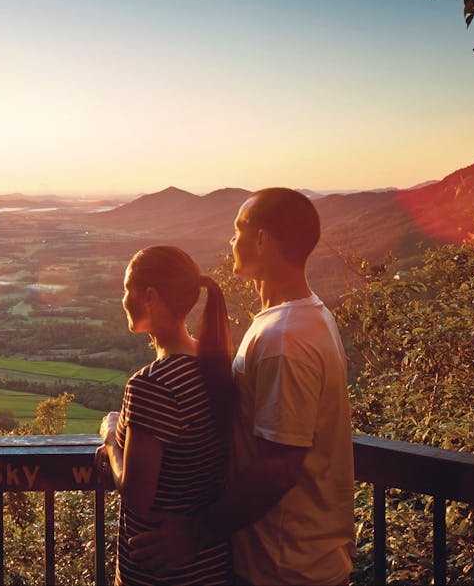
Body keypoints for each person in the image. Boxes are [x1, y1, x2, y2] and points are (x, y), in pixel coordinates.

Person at [130, 188, 355, 585]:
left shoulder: (284, 338)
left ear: (263, 241)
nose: (231, 241)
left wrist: (193, 533)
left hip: (284, 568)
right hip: (299, 561)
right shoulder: (308, 318)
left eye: (238, 231)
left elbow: (279, 468)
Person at [96, 245, 235, 586]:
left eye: (126, 290)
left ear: (150, 297)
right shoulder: (215, 365)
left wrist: (112, 439)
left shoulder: (151, 385)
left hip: (158, 571)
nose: (123, 299)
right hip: (211, 565)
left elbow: (136, 497)